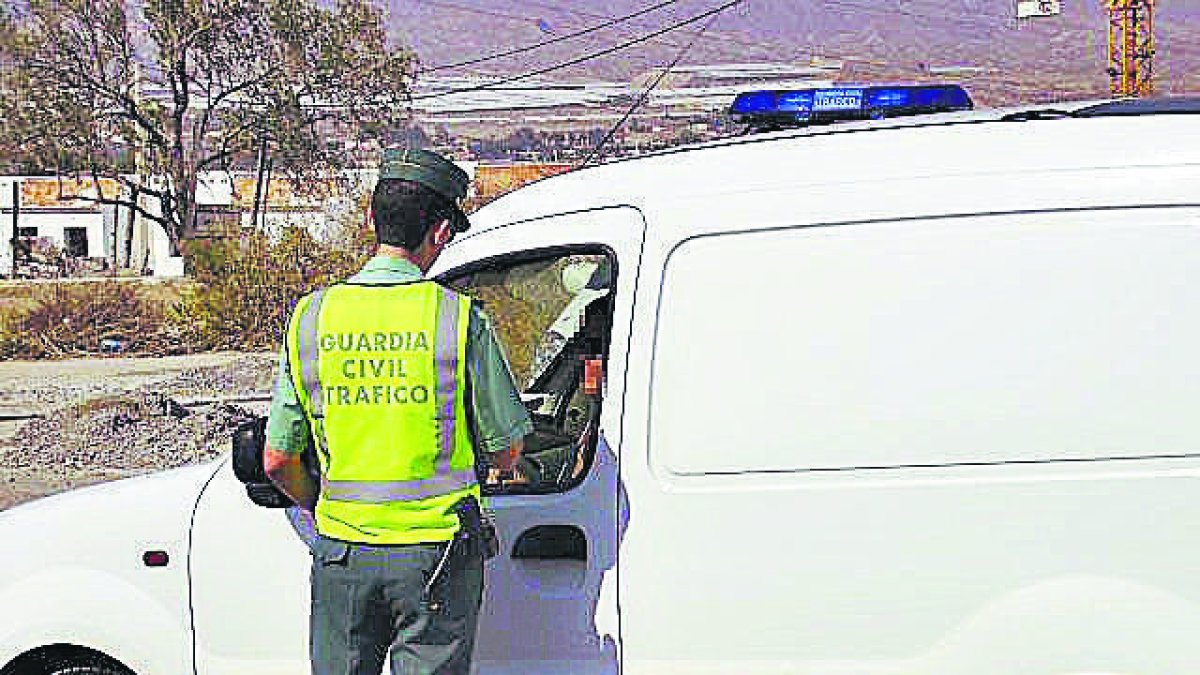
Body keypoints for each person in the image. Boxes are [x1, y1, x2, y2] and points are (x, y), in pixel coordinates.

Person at [263, 147, 532, 675]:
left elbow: (276, 461)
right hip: (436, 556)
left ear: (371, 219)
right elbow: (507, 452)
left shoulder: (312, 317)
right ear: (441, 233)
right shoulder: (456, 318)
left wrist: (324, 506)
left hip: (343, 550)